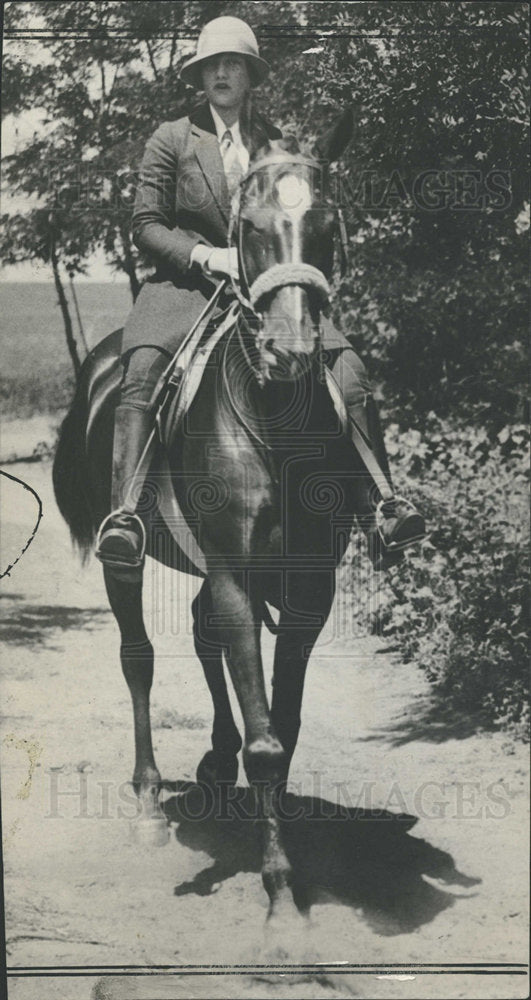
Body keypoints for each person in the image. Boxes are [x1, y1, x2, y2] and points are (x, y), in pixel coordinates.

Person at [95, 15, 425, 573]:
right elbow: (145, 224)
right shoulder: (172, 139)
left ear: (249, 76)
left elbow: (292, 221)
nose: (221, 73)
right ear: (199, 77)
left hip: (266, 294)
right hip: (185, 288)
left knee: (350, 370)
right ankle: (125, 514)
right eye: (211, 66)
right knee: (144, 368)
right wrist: (207, 256)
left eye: (233, 65)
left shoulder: (274, 145)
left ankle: (383, 507)